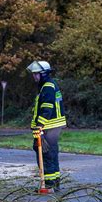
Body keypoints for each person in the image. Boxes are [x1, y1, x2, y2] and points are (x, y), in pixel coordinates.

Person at [27, 61, 67, 191]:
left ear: (43, 74)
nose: (34, 77)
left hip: (49, 126)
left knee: (46, 154)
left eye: (36, 74)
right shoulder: (47, 85)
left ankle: (48, 185)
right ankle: (55, 183)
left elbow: (47, 108)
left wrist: (40, 125)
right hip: (51, 126)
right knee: (51, 153)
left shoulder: (48, 86)